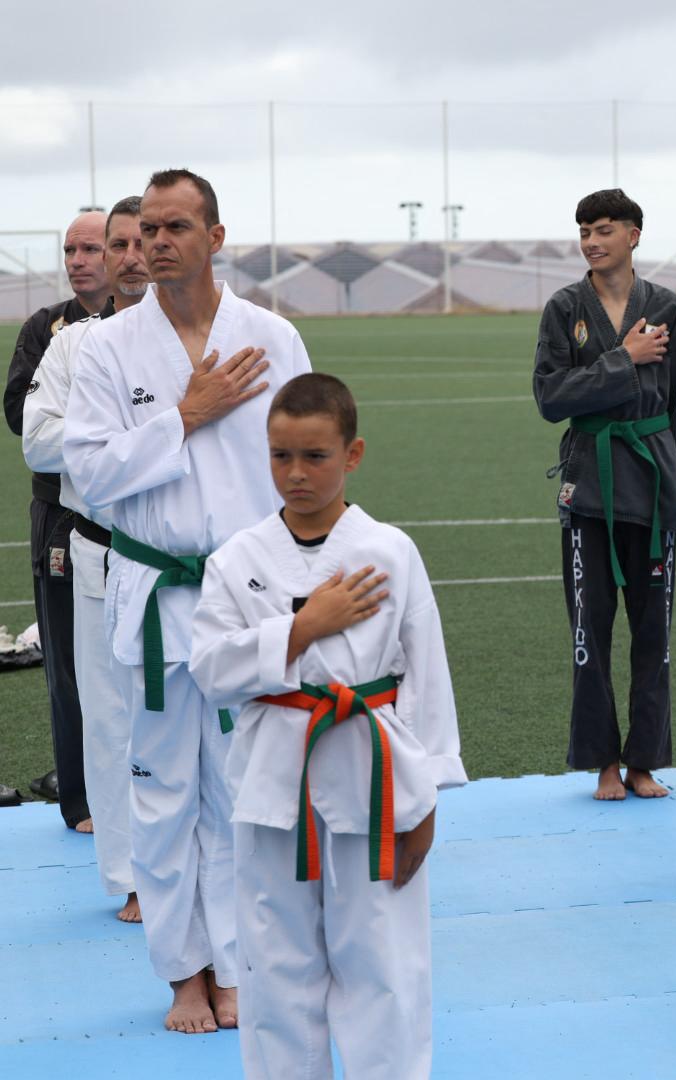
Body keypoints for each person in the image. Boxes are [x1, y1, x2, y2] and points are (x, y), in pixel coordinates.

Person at [64, 168, 311, 1034]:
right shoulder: (106, 348)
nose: (157, 243)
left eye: (176, 227)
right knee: (165, 790)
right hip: (157, 595)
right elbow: (88, 476)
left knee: (246, 788)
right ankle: (182, 972)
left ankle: (239, 963)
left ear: (216, 235)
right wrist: (186, 414)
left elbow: (303, 466)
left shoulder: (273, 338)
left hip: (248, 594)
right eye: (147, 230)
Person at [191, 372, 466, 1080]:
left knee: (384, 967)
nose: (296, 473)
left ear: (353, 455)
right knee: (275, 968)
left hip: (374, 780)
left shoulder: (390, 551)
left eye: (315, 456)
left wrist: (427, 796)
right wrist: (302, 628)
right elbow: (211, 670)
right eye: (281, 456)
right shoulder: (237, 558)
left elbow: (425, 677)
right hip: (272, 784)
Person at [533, 188, 676, 801]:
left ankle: (645, 762)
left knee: (654, 633)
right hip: (590, 487)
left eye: (604, 229)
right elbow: (550, 398)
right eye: (584, 232)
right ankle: (603, 761)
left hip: (654, 484)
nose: (592, 241)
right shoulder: (564, 307)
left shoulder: (669, 309)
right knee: (590, 630)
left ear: (633, 235)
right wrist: (622, 360)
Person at [22, 195, 150, 922]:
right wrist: (136, 435)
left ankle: (209, 859)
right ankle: (133, 875)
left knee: (198, 719)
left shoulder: (206, 338)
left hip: (189, 557)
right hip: (101, 549)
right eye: (120, 244)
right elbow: (37, 441)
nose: (131, 256)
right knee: (108, 724)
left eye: (143, 240)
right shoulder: (73, 344)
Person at [6, 209, 112, 822]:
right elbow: (23, 415)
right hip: (58, 512)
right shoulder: (46, 328)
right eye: (70, 249)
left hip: (124, 514)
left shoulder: (143, 326)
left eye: (90, 248)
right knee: (67, 663)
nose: (78, 260)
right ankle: (78, 798)